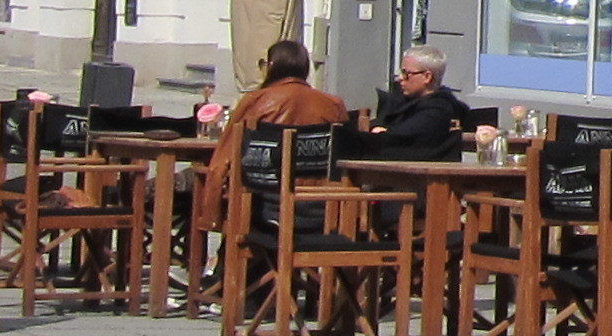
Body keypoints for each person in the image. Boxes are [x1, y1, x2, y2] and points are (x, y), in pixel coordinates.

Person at [196, 38, 351, 229]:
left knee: (199, 176)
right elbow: (346, 157)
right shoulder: (333, 105)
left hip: (265, 206)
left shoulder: (256, 101)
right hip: (321, 207)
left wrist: (211, 216)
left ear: (272, 67)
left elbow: (223, 158)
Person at [363, 48, 479, 159]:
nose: (400, 78)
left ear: (427, 77)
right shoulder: (404, 102)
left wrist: (385, 133)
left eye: (406, 73)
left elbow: (404, 140)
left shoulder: (438, 110)